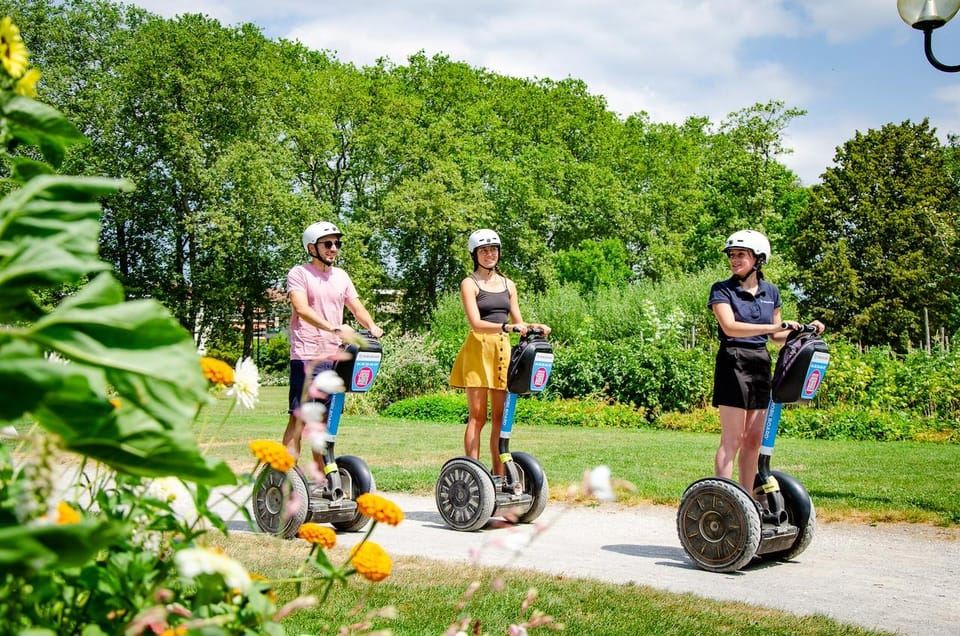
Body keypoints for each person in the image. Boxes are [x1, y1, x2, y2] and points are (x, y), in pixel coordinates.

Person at [707, 230, 824, 494]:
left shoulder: (771, 291)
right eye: (732, 255)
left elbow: (776, 336)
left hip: (760, 363)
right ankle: (724, 497)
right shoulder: (721, 290)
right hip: (732, 361)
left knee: (752, 440)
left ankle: (746, 499)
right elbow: (730, 327)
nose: (734, 260)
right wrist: (774, 326)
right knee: (732, 439)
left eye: (741, 255)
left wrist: (803, 329)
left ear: (758, 259)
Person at [449, 229, 550, 479]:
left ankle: (499, 474)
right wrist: (506, 327)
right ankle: (473, 474)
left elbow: (519, 321)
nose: (489, 254)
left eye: (493, 249)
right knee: (478, 417)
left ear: (499, 252)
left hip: (502, 350)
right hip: (479, 349)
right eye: (483, 250)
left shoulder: (508, 284)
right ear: (475, 254)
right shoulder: (469, 283)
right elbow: (475, 323)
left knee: (500, 419)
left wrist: (536, 327)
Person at [283, 221, 383, 462]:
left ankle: (319, 477)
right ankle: (284, 473)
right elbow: (301, 308)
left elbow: (355, 306)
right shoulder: (299, 274)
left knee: (322, 419)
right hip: (307, 354)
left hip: (334, 356)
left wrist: (372, 326)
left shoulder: (341, 276)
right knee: (299, 416)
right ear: (311, 248)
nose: (334, 248)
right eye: (327, 244)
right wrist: (334, 328)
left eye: (337, 243)